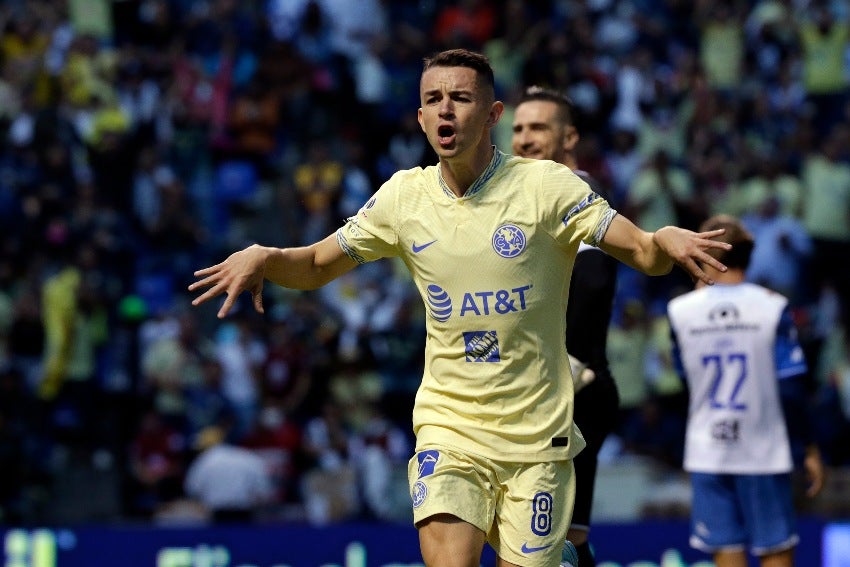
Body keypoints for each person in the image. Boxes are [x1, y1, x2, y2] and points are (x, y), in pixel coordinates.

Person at [189, 49, 730, 567]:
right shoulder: (403, 198)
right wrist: (266, 255)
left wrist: (665, 242)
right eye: (434, 99)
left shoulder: (547, 187)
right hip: (450, 427)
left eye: (462, 98)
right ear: (421, 118)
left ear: (493, 114)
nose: (446, 108)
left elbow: (640, 250)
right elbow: (314, 265)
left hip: (537, 437)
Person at [667, 214, 824, 567]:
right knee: (776, 548)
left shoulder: (680, 312)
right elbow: (792, 388)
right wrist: (808, 448)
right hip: (763, 448)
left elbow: (684, 378)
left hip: (708, 449)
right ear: (750, 256)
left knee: (727, 549)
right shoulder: (772, 306)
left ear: (702, 253)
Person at [511, 86, 620, 567]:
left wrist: (568, 364)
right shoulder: (525, 192)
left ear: (569, 136)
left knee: (549, 547)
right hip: (546, 385)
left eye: (538, 128)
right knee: (564, 542)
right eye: (517, 129)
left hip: (568, 384)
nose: (524, 139)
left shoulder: (575, 192)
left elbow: (595, 281)